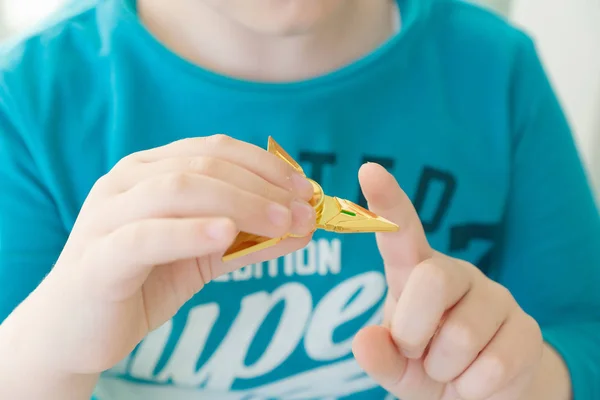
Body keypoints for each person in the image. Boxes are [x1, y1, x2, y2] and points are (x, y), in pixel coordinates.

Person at [0, 0, 598, 398]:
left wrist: (532, 379)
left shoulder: (495, 70)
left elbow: (584, 333)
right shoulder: (32, 99)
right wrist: (51, 349)